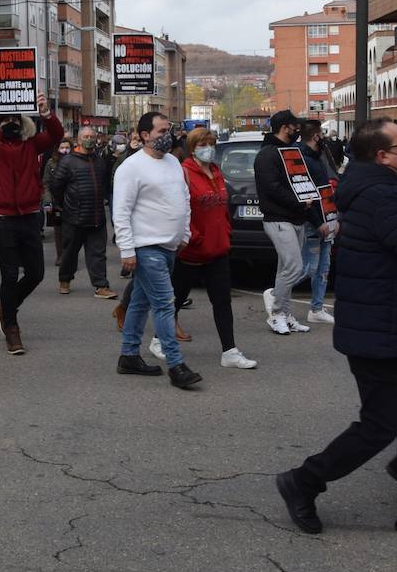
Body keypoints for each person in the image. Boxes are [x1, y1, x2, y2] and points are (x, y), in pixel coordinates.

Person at [275, 118, 397, 537]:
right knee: (379, 425)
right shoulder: (382, 195)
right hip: (384, 329)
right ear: (381, 156)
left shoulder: (387, 188)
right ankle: (303, 481)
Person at [0, 92, 64, 355]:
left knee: (36, 273)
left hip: (30, 214)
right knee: (9, 275)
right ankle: (12, 328)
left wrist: (46, 112)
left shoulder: (32, 145)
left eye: (15, 119)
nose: (11, 123)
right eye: (5, 119)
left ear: (23, 123)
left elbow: (56, 135)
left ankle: (5, 308)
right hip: (2, 218)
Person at [113, 111, 203, 389]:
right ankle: (176, 366)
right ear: (144, 136)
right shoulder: (131, 167)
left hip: (170, 246)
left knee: (140, 303)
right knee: (165, 303)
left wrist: (185, 233)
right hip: (146, 247)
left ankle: (128, 356)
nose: (169, 136)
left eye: (169, 130)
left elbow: (184, 200)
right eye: (162, 132)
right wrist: (127, 249)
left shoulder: (174, 163)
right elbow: (121, 211)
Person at [173, 127, 256, 369]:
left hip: (218, 249)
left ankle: (229, 351)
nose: (208, 148)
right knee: (176, 299)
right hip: (192, 252)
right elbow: (180, 210)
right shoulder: (184, 173)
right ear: (192, 148)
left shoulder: (217, 172)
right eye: (202, 144)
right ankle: (159, 340)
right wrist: (195, 236)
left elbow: (222, 208)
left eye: (211, 143)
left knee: (222, 302)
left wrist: (226, 231)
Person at [254, 109, 313, 335]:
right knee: (294, 267)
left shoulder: (287, 151)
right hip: (279, 218)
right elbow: (273, 188)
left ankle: (286, 314)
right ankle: (276, 312)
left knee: (285, 269)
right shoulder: (268, 154)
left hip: (294, 217)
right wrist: (300, 202)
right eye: (294, 125)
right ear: (284, 127)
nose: (297, 129)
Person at [50, 126, 117, 299]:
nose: (90, 139)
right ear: (79, 139)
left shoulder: (100, 161)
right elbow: (56, 186)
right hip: (73, 218)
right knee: (70, 253)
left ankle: (101, 286)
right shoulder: (68, 161)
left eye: (92, 136)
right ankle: (65, 280)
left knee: (97, 254)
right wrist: (62, 206)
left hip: (96, 217)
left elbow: (104, 184)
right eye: (86, 136)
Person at [299, 118, 336, 326]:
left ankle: (317, 308)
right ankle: (277, 295)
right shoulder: (304, 159)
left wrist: (332, 219)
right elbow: (307, 194)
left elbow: (325, 190)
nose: (323, 137)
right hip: (315, 221)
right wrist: (318, 221)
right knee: (309, 268)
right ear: (316, 136)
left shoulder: (316, 157)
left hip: (325, 218)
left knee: (323, 268)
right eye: (321, 134)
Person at [42, 138, 71, 267]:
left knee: (71, 231)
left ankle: (70, 254)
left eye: (67, 147)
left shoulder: (76, 161)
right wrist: (47, 201)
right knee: (58, 231)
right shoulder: (51, 163)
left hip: (72, 201)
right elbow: (45, 183)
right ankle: (60, 256)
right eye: (62, 147)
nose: (65, 150)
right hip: (56, 201)